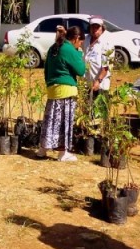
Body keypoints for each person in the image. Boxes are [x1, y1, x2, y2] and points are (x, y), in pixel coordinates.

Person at [37, 25, 86, 161]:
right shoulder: (69, 49)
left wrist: (49, 84)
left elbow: (46, 68)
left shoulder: (54, 46)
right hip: (66, 89)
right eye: (80, 42)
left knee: (50, 121)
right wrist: (79, 53)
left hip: (53, 89)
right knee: (64, 123)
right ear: (76, 38)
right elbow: (81, 70)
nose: (80, 45)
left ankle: (42, 149)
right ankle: (63, 153)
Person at [83, 16, 111, 98]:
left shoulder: (106, 43)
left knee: (100, 109)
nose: (94, 29)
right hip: (88, 83)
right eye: (92, 27)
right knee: (87, 109)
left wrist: (98, 81)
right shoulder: (86, 39)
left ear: (102, 28)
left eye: (97, 27)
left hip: (101, 84)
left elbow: (105, 66)